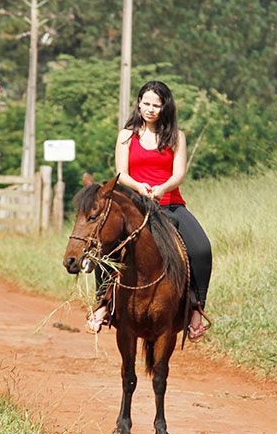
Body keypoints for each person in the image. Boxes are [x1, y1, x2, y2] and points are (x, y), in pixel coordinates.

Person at [88, 80, 214, 341]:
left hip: (170, 203)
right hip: (134, 205)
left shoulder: (176, 137)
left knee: (201, 249)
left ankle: (196, 309)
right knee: (105, 244)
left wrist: (161, 188)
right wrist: (139, 186)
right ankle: (102, 303)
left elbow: (179, 174)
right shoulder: (126, 135)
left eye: (156, 105)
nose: (150, 109)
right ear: (138, 103)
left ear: (165, 107)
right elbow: (121, 173)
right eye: (146, 103)